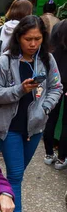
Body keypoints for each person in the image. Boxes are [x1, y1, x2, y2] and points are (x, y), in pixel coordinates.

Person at [0, 15, 62, 212]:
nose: (33, 44)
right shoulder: (5, 61)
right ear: (18, 37)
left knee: (17, 174)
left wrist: (46, 108)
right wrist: (18, 90)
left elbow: (56, 87)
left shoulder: (48, 60)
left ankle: (1, 196)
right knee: (16, 175)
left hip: (35, 128)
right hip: (9, 127)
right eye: (28, 39)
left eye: (37, 39)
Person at [43, 19, 67, 169]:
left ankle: (48, 154)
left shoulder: (59, 25)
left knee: (51, 118)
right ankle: (62, 158)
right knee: (66, 122)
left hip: (55, 78)